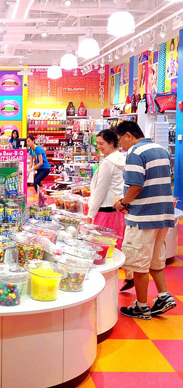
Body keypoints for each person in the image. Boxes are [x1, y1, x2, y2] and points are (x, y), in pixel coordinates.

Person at [114, 121, 176, 319]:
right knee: (155, 259)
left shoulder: (135, 153)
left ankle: (141, 307)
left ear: (128, 135)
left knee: (138, 264)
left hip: (143, 216)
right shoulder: (161, 150)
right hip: (163, 214)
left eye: (120, 141)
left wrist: (122, 203)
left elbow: (136, 186)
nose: (121, 146)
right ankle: (163, 295)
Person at [85, 129, 133, 290]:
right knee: (117, 245)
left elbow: (100, 190)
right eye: (97, 143)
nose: (98, 147)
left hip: (105, 210)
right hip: (118, 209)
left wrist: (90, 213)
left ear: (111, 143)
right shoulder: (122, 159)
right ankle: (129, 275)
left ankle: (102, 286)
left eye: (101, 144)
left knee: (103, 248)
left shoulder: (108, 162)